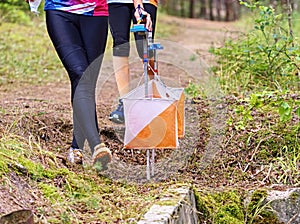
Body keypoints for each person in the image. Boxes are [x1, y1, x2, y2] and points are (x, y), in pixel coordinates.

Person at [27, 0, 112, 170]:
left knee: (85, 82)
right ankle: (96, 145)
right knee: (80, 74)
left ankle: (77, 147)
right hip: (60, 10)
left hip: (96, 12)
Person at [107, 0, 157, 124]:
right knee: (120, 44)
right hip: (116, 2)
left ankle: (154, 94)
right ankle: (124, 102)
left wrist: (138, 5)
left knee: (144, 46)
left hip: (146, 2)